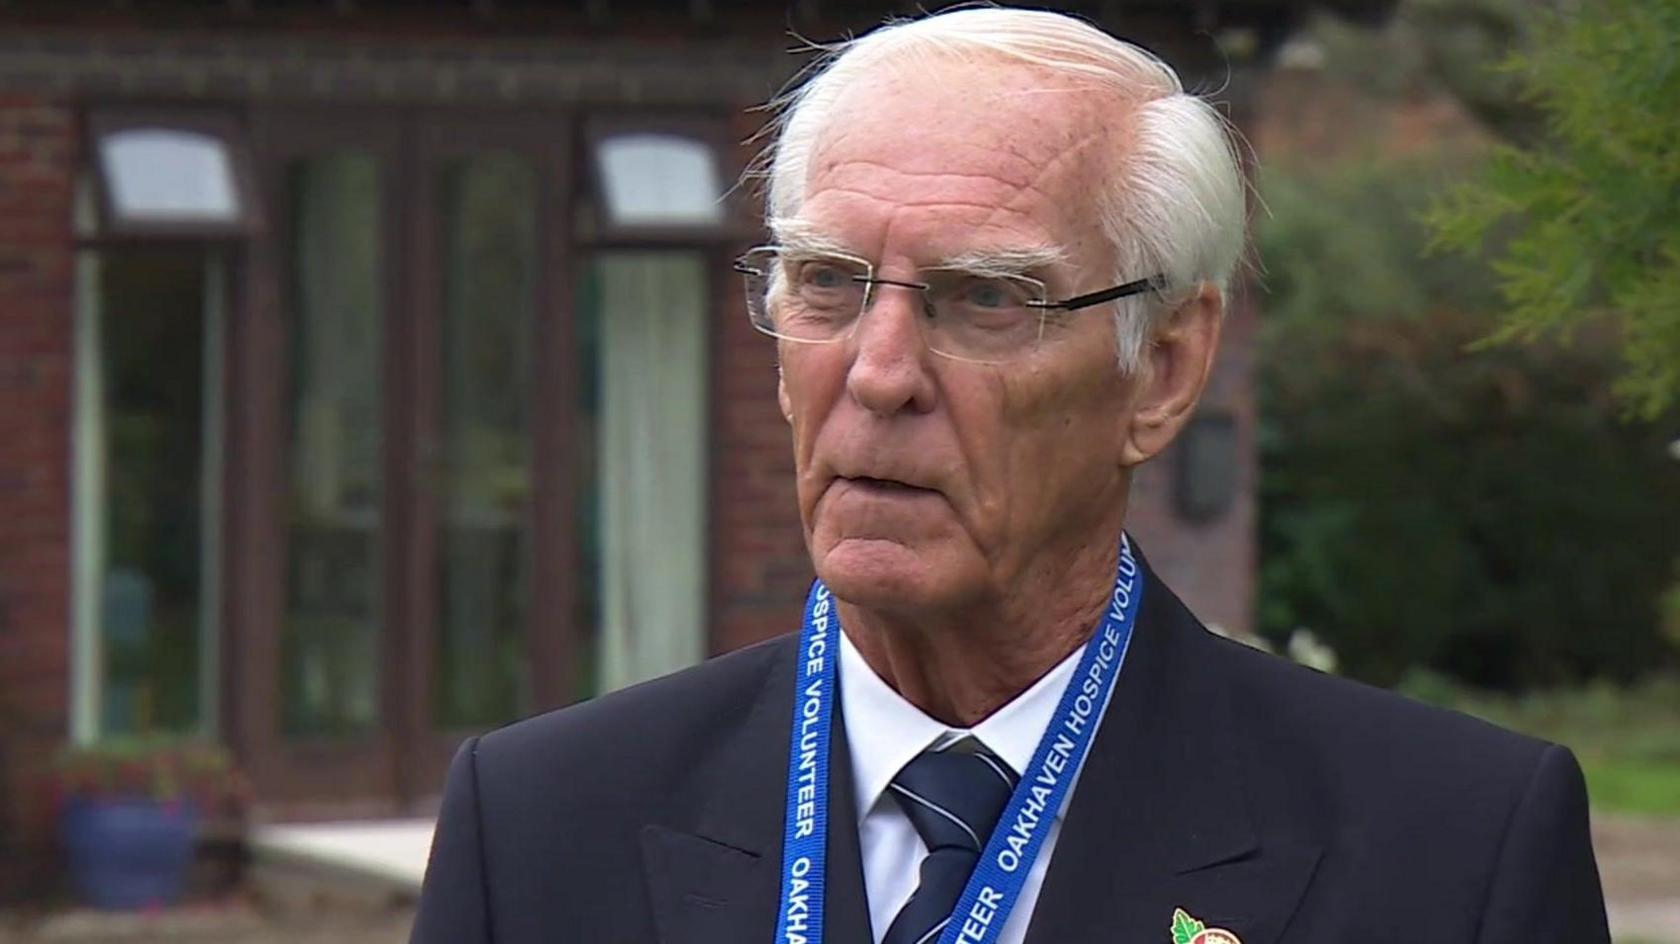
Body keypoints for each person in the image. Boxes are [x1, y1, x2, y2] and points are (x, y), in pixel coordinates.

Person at [410, 8, 1610, 943]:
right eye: (827, 281)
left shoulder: (1449, 853)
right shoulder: (542, 826)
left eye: (985, 298)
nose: (879, 374)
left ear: (1167, 365)